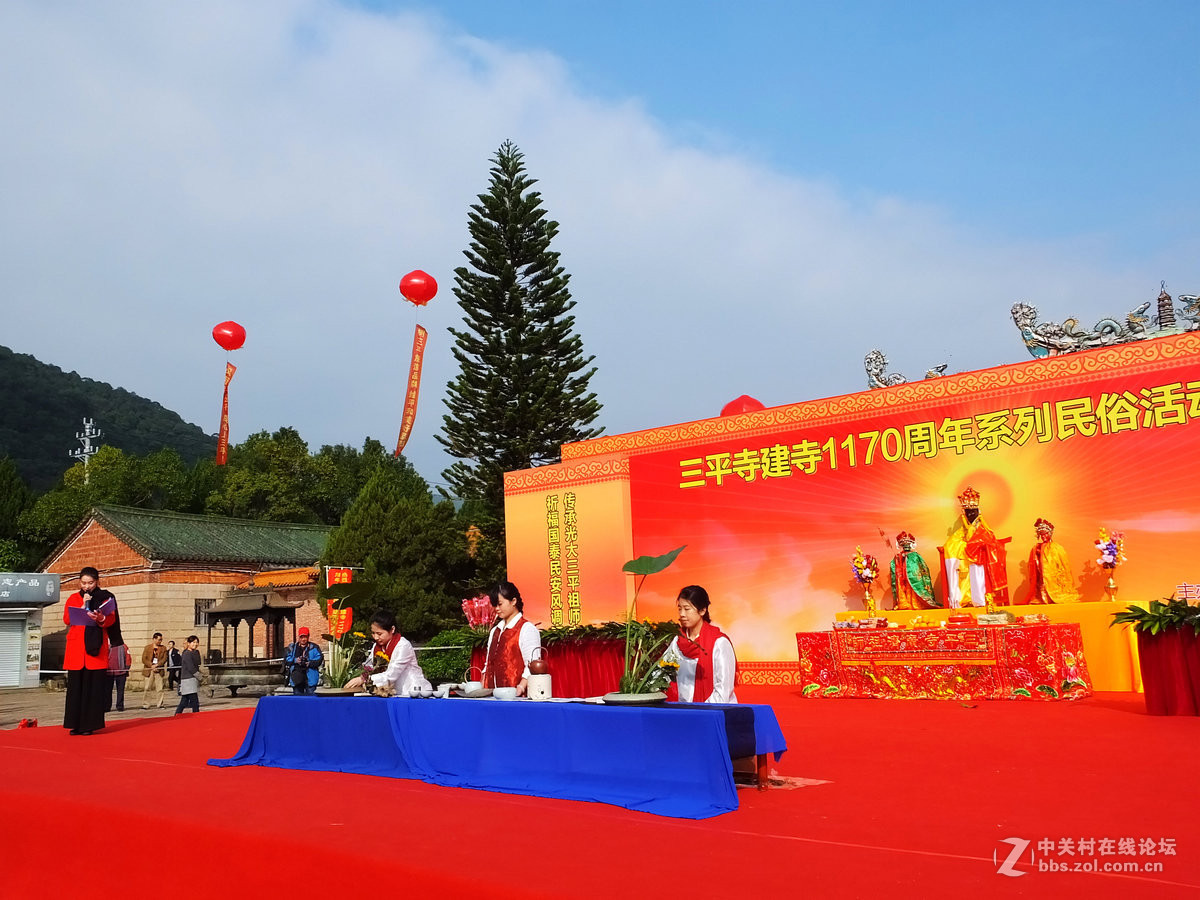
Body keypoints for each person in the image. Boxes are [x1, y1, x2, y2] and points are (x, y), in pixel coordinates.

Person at [63, 566, 118, 735]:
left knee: (93, 690)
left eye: (90, 583)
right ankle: (75, 724)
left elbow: (111, 619)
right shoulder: (73, 598)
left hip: (94, 651)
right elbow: (66, 618)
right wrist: (82, 605)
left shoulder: (104, 598)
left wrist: (100, 618)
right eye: (83, 583)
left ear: (97, 582)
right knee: (75, 690)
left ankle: (89, 726)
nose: (86, 586)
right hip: (76, 651)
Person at [662, 585, 737, 703]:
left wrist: (700, 712)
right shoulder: (677, 641)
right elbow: (661, 672)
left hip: (714, 711)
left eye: (687, 609)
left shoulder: (719, 643)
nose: (682, 614)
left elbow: (723, 690)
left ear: (702, 610)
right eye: (679, 608)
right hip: (683, 711)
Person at [942, 486, 1008, 608]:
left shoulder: (985, 530)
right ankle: (964, 599)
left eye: (974, 511)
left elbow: (991, 542)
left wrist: (976, 546)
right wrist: (965, 548)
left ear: (978, 512)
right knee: (962, 561)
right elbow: (950, 545)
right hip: (965, 566)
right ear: (964, 514)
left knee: (977, 564)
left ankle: (981, 598)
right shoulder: (960, 533)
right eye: (969, 512)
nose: (972, 514)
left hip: (982, 563)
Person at [344, 611, 430, 696]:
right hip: (391, 693)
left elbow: (391, 674)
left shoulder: (403, 645)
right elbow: (369, 666)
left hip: (412, 691)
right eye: (373, 633)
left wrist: (364, 679)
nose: (376, 637)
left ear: (392, 629)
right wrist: (358, 675)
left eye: (379, 633)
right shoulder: (376, 647)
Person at [481, 581, 541, 697]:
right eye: (495, 605)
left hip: (516, 698)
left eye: (500, 604)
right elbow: (487, 665)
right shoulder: (495, 631)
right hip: (491, 697)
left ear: (513, 601)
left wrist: (520, 688)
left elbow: (533, 667)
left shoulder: (526, 629)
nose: (497, 609)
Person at [1025, 518, 1080, 604]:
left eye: (1045, 534)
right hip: (1041, 572)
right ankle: (1041, 597)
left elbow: (1063, 564)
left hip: (1052, 574)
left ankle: (1054, 594)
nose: (1043, 536)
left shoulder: (1057, 548)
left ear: (1050, 533)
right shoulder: (1037, 547)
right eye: (1041, 535)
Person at [889, 531, 940, 609]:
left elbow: (922, 569)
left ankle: (916, 602)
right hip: (902, 577)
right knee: (903, 586)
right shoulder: (898, 556)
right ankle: (905, 603)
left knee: (914, 584)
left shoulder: (915, 556)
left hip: (912, 577)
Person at [283, 626, 323, 695]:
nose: (303, 639)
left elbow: (319, 659)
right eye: (301, 637)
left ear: (308, 637)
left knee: (311, 701)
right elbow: (286, 659)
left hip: (311, 679)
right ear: (298, 637)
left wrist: (309, 663)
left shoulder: (314, 647)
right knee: (298, 702)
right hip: (296, 679)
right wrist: (295, 660)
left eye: (305, 637)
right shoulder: (292, 648)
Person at [174, 635, 202, 714]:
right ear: (189, 643)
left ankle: (177, 714)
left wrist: (196, 652)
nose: (195, 644)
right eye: (193, 642)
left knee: (184, 701)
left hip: (192, 679)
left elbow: (198, 663)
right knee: (194, 701)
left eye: (196, 642)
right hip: (188, 679)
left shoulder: (194, 653)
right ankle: (196, 716)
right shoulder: (186, 654)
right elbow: (191, 667)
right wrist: (199, 676)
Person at [106, 635, 132, 713]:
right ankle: (107, 706)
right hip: (109, 672)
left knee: (120, 690)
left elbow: (128, 657)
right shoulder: (107, 647)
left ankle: (120, 706)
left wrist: (127, 668)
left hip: (121, 672)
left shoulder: (124, 647)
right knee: (107, 691)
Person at [141, 632, 167, 709]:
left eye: (161, 640)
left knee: (160, 688)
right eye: (159, 640)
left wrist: (157, 665)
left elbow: (164, 659)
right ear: (154, 639)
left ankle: (160, 704)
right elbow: (144, 659)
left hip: (159, 669)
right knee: (147, 688)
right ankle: (146, 704)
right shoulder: (147, 647)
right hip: (149, 670)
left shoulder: (163, 648)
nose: (160, 641)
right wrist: (151, 665)